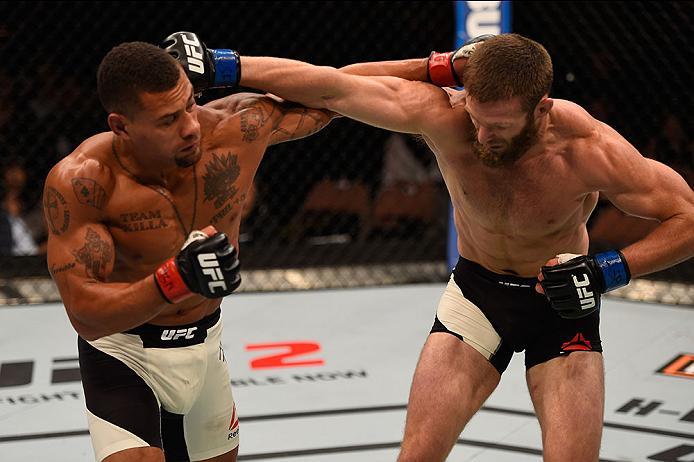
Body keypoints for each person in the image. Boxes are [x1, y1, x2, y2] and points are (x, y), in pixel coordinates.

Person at [176, 32, 694, 461]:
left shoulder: (586, 148)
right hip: (478, 293)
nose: (483, 136)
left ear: (541, 109)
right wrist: (228, 66)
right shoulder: (449, 117)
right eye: (477, 117)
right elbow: (332, 85)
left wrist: (609, 271)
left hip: (560, 304)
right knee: (418, 455)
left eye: (501, 126)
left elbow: (687, 218)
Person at [43, 39, 335, 462]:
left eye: (190, 106)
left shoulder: (229, 131)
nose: (190, 127)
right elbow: (85, 314)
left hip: (204, 344)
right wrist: (173, 281)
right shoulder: (86, 182)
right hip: (125, 357)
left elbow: (336, 91)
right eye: (167, 121)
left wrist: (431, 68)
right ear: (121, 126)